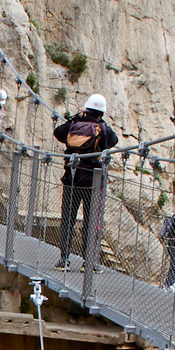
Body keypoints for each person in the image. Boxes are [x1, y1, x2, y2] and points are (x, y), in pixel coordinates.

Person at [53, 94, 118, 269]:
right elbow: (114, 141)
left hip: (72, 179)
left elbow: (58, 132)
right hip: (93, 182)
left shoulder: (73, 125)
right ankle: (88, 263)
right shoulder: (102, 129)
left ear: (86, 108)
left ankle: (64, 259)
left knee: (68, 220)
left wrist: (76, 117)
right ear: (101, 113)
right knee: (91, 223)